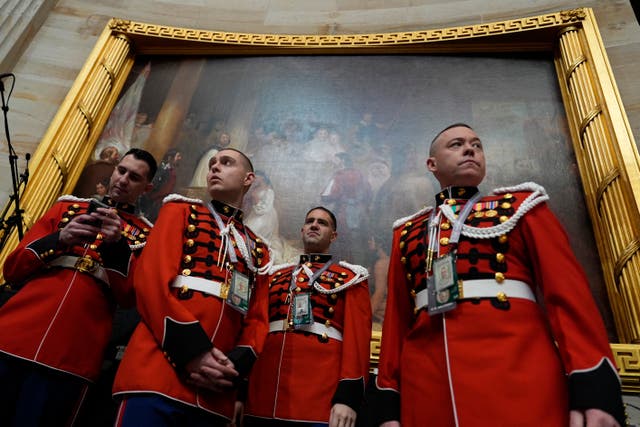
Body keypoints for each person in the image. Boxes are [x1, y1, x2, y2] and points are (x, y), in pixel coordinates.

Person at [373, 124, 625, 426]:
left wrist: (592, 384)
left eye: (476, 145)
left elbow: (568, 297)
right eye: (456, 144)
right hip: (428, 388)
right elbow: (397, 321)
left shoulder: (521, 207)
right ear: (432, 164)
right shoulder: (407, 231)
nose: (470, 149)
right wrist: (388, 401)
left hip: (518, 378)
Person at [112, 148, 272, 427]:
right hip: (157, 374)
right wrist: (193, 351)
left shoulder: (257, 248)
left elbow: (257, 318)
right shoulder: (180, 211)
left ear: (249, 179)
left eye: (226, 162)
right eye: (212, 163)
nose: (214, 167)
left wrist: (234, 367)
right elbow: (150, 284)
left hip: (214, 391)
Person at [0, 148, 157, 426]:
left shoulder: (147, 235)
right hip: (13, 335)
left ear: (146, 187)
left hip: (74, 352)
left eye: (134, 177)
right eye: (121, 171)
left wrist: (117, 248)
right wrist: (61, 237)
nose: (122, 180)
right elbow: (12, 270)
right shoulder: (66, 208)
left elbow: (131, 298)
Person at [242, 206, 372, 427]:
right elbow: (253, 331)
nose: (314, 224)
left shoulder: (350, 278)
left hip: (317, 396)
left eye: (322, 223)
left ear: (334, 235)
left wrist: (348, 397)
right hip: (264, 391)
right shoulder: (274, 276)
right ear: (302, 230)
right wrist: (240, 391)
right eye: (310, 221)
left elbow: (358, 343)